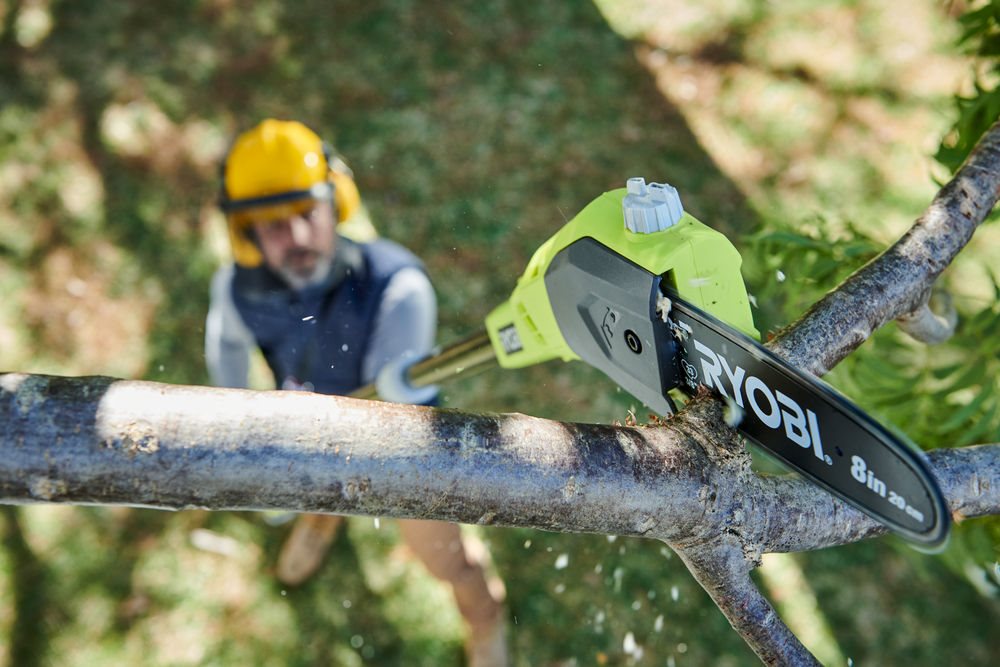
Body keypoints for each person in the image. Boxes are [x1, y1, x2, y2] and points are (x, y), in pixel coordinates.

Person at [205, 119, 508, 666]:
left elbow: (386, 426)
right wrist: (241, 429)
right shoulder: (236, 289)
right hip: (304, 430)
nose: (295, 239)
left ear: (336, 202)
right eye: (272, 226)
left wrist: (295, 459)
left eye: (305, 213)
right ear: (244, 233)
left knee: (447, 561)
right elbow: (226, 347)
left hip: (402, 453)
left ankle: (485, 618)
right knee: (317, 493)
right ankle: (322, 515)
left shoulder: (398, 290)